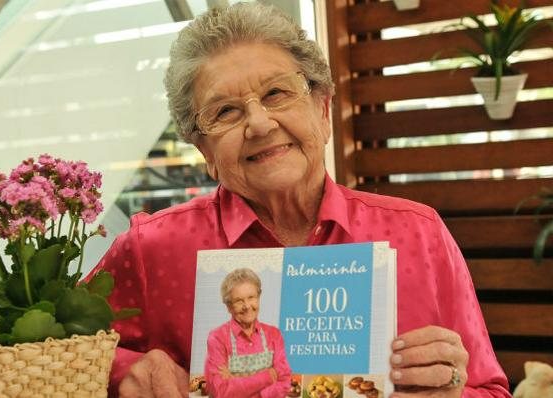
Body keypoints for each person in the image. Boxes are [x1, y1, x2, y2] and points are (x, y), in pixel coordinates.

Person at [88, 3, 511, 398]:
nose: (258, 123)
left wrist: (453, 390)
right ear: (204, 153)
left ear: (323, 110)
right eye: (225, 112)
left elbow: (491, 388)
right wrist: (123, 369)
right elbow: (32, 348)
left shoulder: (418, 234)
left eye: (275, 93)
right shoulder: (150, 250)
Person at [204, 268, 291, 398]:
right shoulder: (217, 338)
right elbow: (220, 392)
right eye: (239, 301)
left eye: (251, 297)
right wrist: (269, 375)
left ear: (258, 297)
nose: (247, 306)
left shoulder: (274, 334)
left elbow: (285, 382)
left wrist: (238, 383)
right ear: (228, 306)